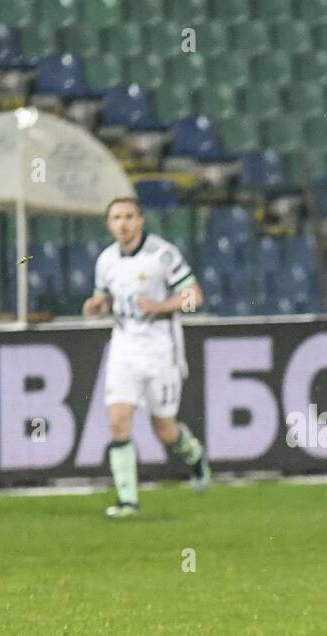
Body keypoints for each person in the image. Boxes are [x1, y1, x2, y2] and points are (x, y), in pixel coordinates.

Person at [81, 197, 210, 517]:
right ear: (109, 224)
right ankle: (127, 501)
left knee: (164, 430)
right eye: (116, 218)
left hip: (160, 351)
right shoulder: (106, 261)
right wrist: (96, 306)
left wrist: (161, 306)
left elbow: (195, 297)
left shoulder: (162, 255)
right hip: (124, 348)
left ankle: (193, 455)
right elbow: (104, 298)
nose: (122, 223)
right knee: (118, 421)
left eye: (128, 216)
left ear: (140, 221)